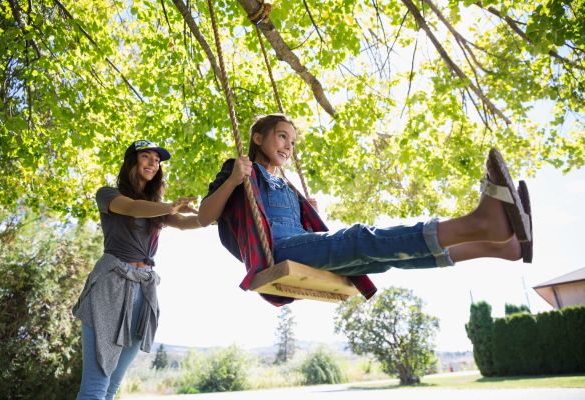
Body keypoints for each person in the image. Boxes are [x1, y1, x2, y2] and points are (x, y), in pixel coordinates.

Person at [197, 114, 533, 304]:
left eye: (293, 142)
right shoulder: (240, 169)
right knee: (359, 238)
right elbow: (204, 217)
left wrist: (305, 210)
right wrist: (232, 182)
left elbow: (300, 228)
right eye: (283, 137)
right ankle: (481, 223)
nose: (289, 147)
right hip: (278, 253)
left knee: (379, 258)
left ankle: (498, 247)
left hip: (299, 247)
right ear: (258, 138)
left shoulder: (288, 186)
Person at [73, 139, 200, 399]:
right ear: (132, 161)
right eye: (146, 156)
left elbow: (191, 222)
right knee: (96, 388)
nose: (153, 163)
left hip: (144, 290)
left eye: (157, 160)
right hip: (111, 286)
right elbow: (132, 208)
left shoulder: (156, 207)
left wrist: (221, 208)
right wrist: (168, 207)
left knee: (111, 389)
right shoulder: (108, 194)